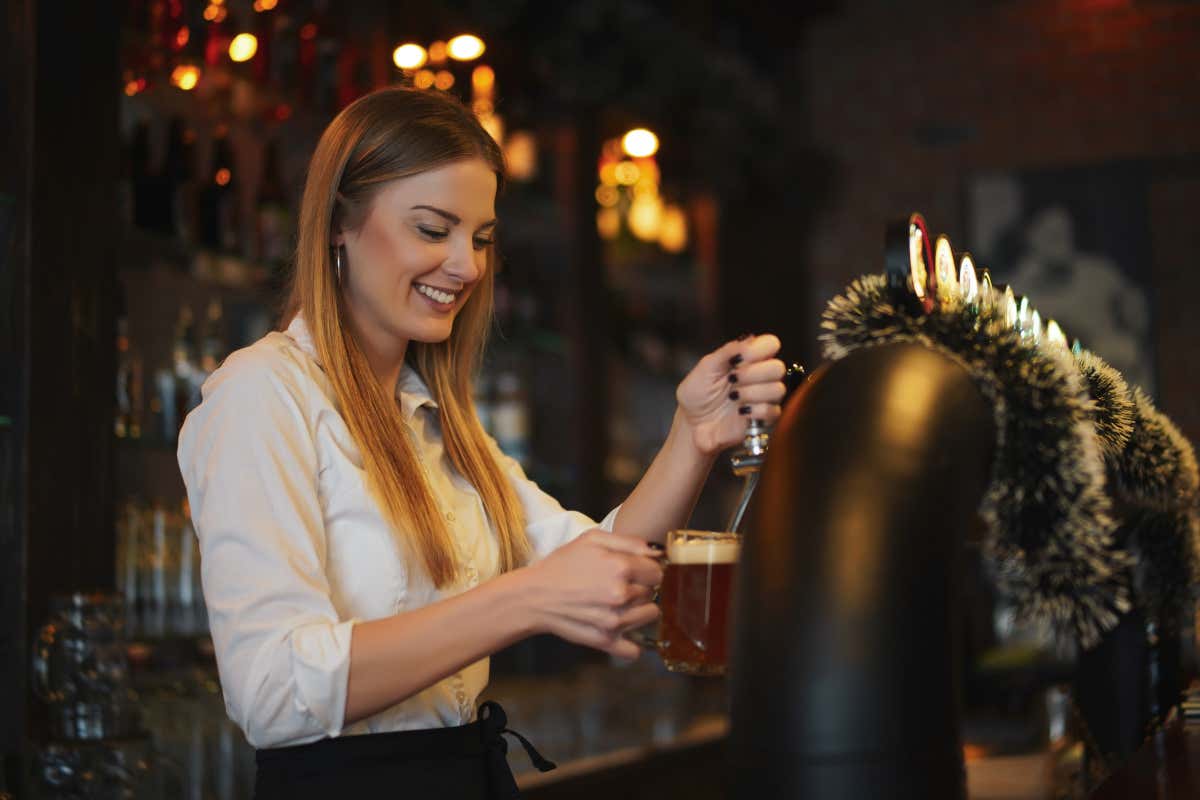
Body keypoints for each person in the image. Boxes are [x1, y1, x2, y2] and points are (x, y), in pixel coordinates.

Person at [177, 86, 785, 799]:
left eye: (482, 238)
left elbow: (595, 563)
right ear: (341, 220)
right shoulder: (262, 395)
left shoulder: (436, 419)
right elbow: (272, 691)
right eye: (434, 229)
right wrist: (525, 600)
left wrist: (692, 436)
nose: (466, 266)